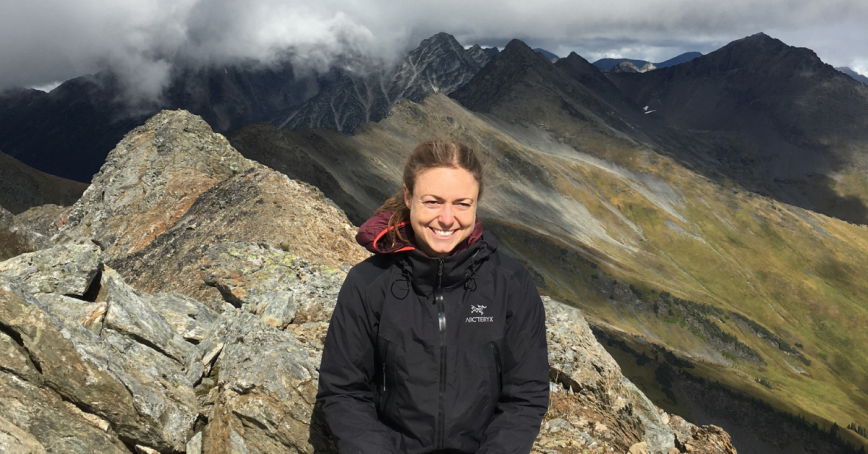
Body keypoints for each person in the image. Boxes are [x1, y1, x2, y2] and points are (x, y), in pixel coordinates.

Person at [316, 140, 549, 453]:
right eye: (433, 202)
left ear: (477, 203)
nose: (447, 218)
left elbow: (525, 397)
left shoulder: (511, 285)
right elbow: (343, 391)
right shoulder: (368, 283)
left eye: (462, 204)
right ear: (409, 197)